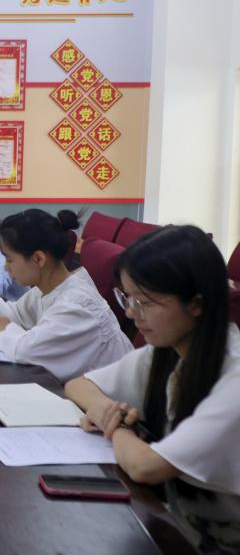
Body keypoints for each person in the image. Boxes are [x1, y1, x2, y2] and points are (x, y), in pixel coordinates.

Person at [65, 226, 239, 553]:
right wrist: (105, 409)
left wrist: (117, 426)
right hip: (175, 526)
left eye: (144, 302)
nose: (131, 313)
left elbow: (146, 466)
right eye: (127, 298)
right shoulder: (167, 352)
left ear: (197, 303)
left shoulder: (233, 375)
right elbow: (78, 385)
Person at [0, 209, 131, 381]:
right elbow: (15, 312)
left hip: (110, 403)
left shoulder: (76, 305)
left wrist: (4, 329)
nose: (6, 267)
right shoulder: (47, 289)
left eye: (9, 260)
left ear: (38, 258)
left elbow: (27, 351)